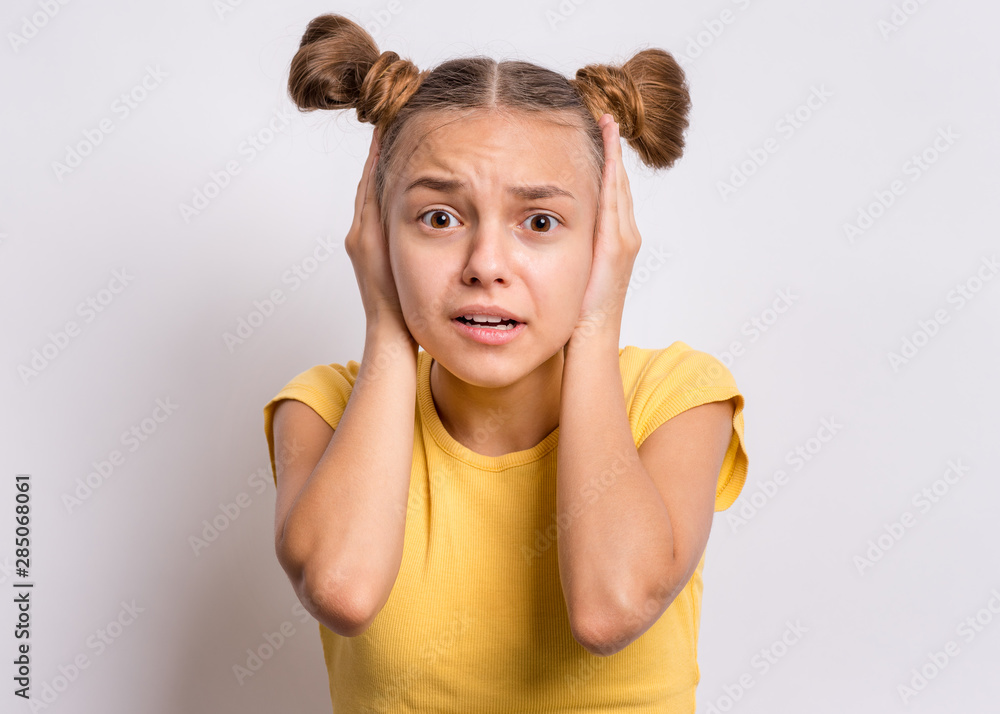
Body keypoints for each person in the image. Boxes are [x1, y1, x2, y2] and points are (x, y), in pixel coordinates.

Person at [262, 13, 749, 713]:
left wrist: (596, 317)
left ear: (605, 238)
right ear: (375, 231)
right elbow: (343, 590)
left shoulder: (677, 399)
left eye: (541, 222)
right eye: (439, 218)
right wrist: (387, 326)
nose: (486, 265)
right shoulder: (321, 409)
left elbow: (609, 609)